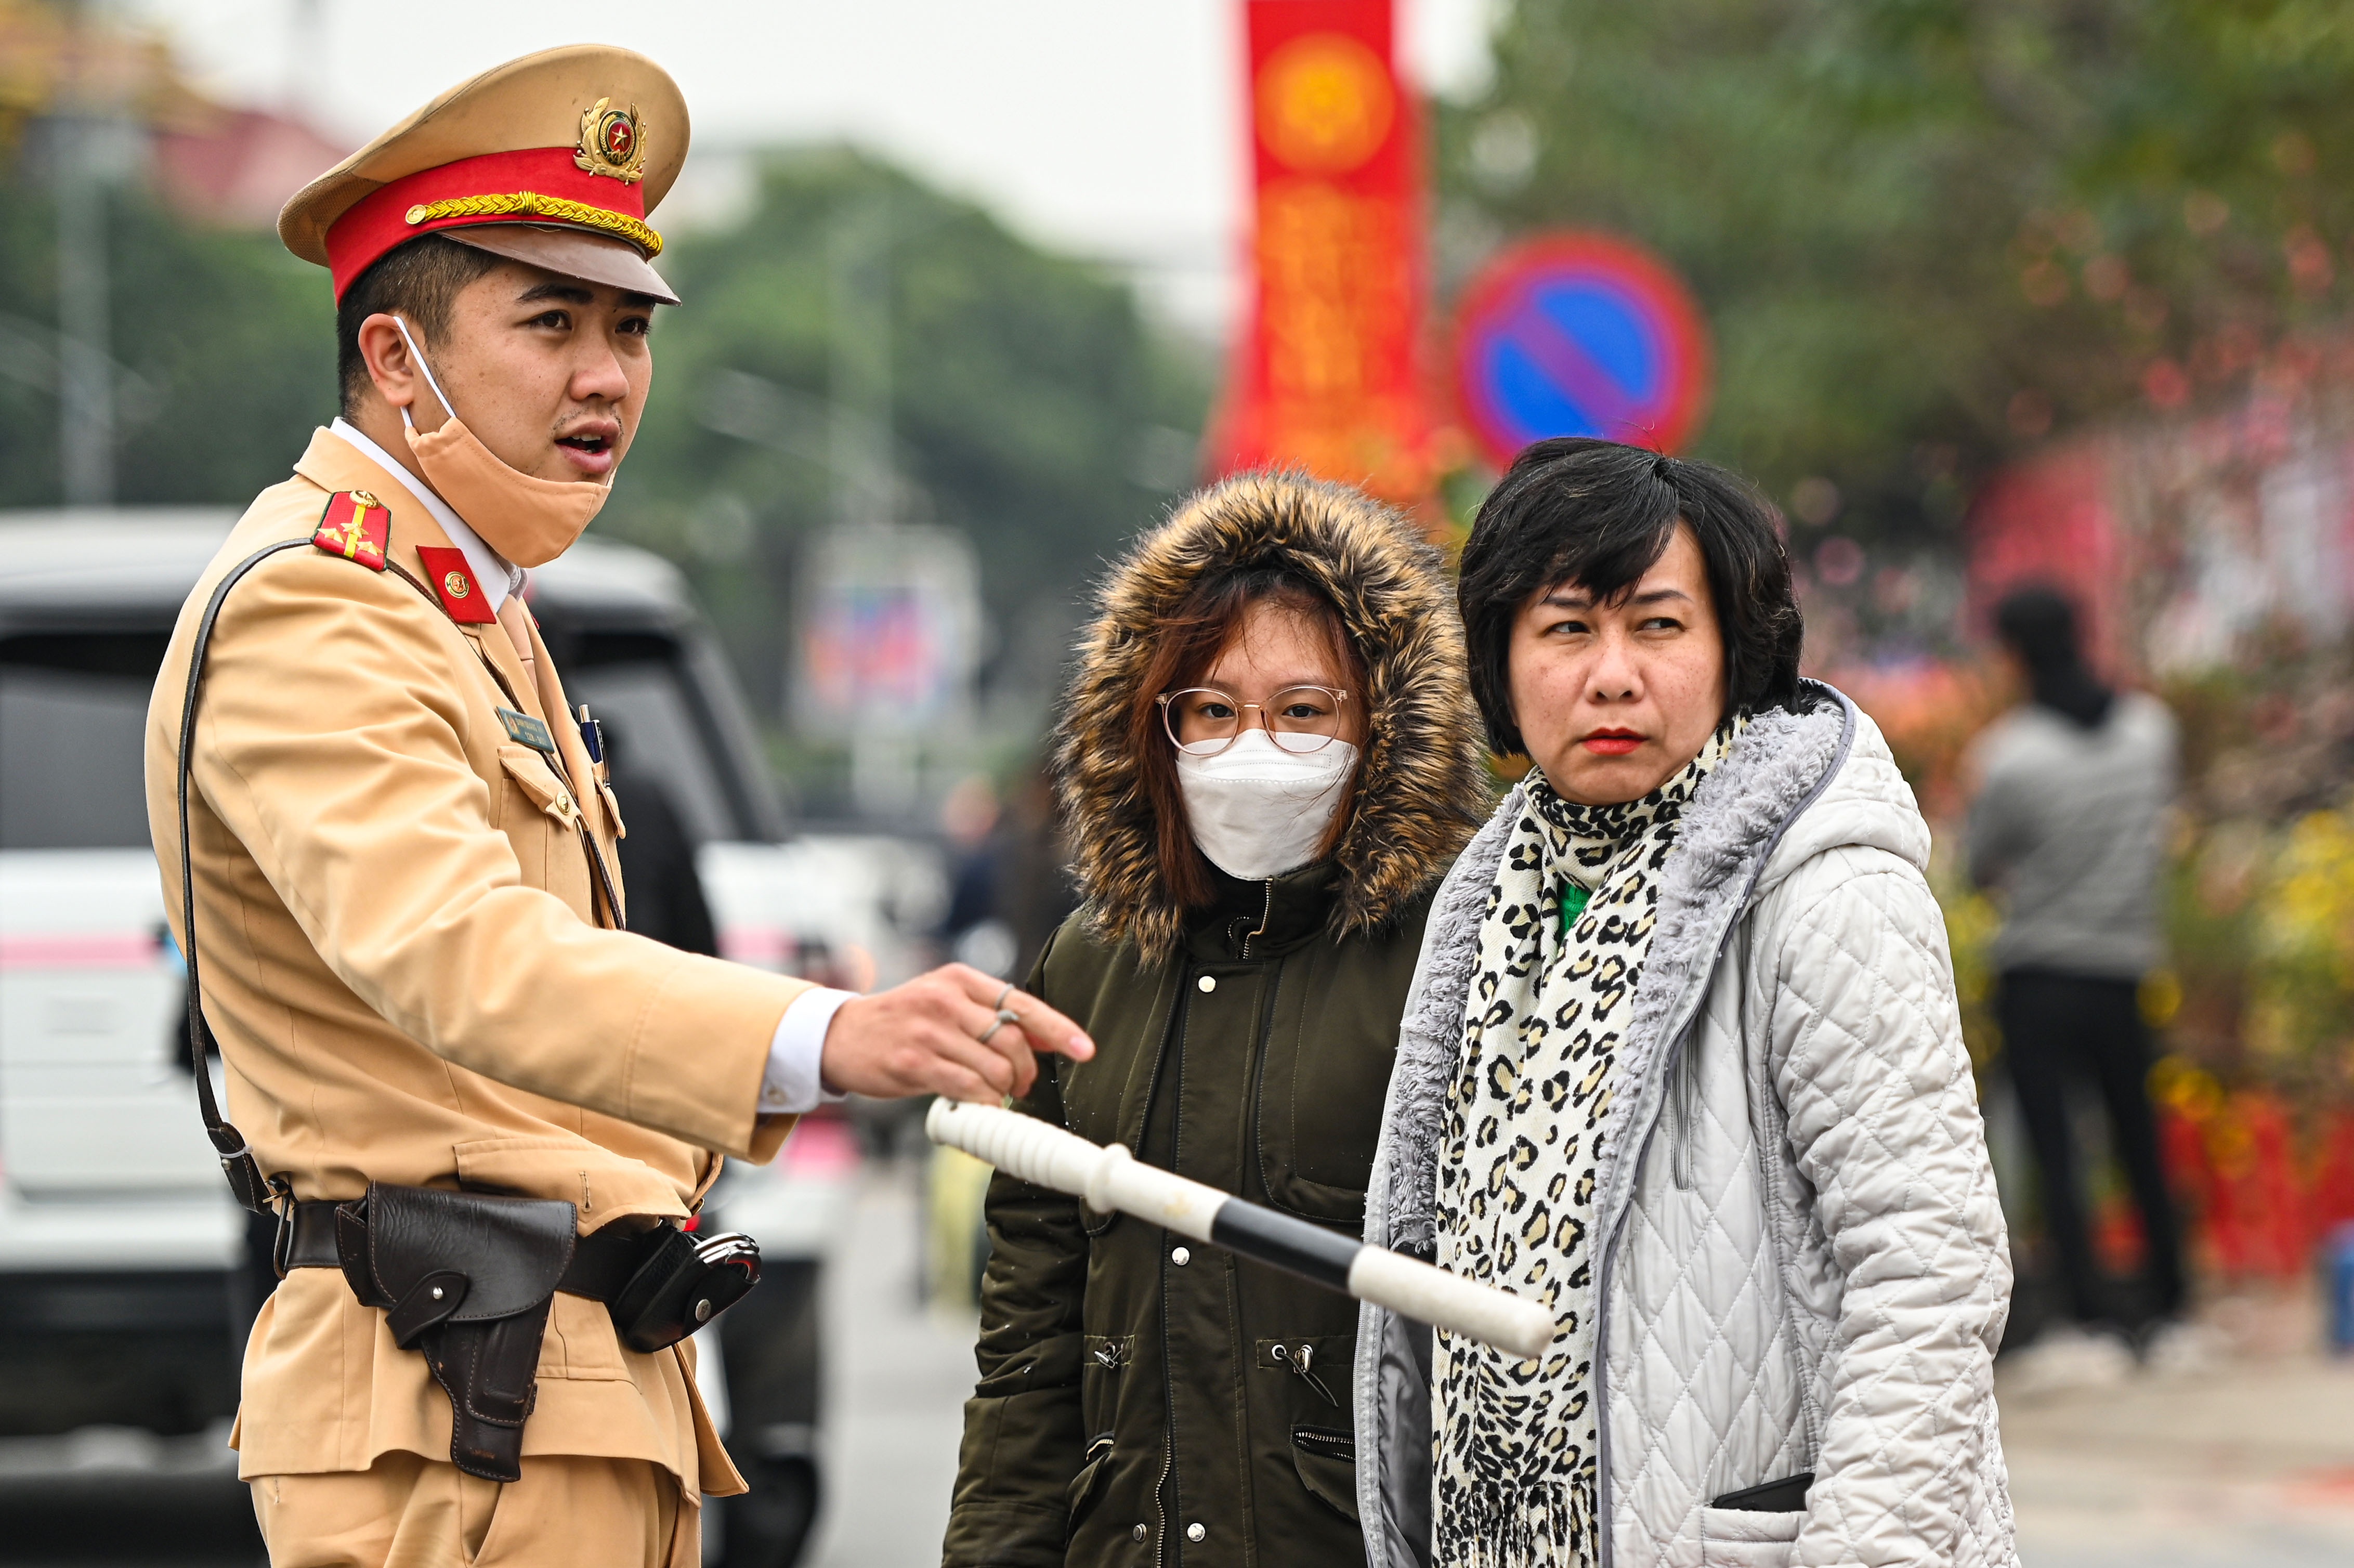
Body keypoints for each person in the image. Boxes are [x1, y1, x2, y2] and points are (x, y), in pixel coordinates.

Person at [142, 47, 1089, 1567]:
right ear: (396, 356)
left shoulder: (467, 608)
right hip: (445, 1416)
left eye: (629, 327)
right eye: (551, 321)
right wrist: (822, 1034)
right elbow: (460, 953)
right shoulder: (318, 609)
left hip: (538, 1390)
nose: (607, 375)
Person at [1354, 439, 2017, 1568]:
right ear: (1500, 663)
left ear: (1732, 652)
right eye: (1566, 628)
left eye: (1657, 625)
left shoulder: (1821, 885)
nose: (1611, 674)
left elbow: (1927, 1273)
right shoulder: (1489, 890)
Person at [941, 474, 1490, 1566]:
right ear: (1154, 728)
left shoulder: (1457, 954)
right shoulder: (1091, 966)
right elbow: (1027, 1351)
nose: (1251, 746)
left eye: (1301, 710)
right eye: (1211, 710)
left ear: (1381, 725)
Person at [1968, 585, 2185, 1344]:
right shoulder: (2151, 732)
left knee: (2056, 1154)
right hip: (2124, 966)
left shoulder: (2010, 757)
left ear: (2014, 655)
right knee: (2138, 1140)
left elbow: (1977, 865)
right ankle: (2171, 1307)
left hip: (2039, 971)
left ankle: (2087, 1317)